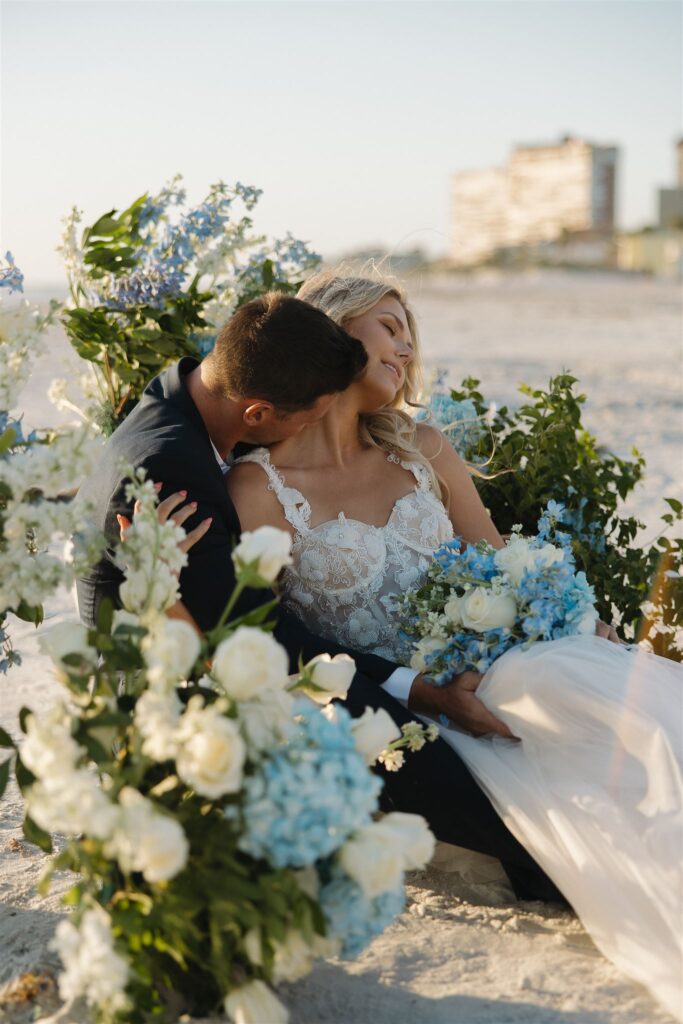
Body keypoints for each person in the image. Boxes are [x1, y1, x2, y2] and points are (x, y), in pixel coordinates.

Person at [222, 269, 683, 1021]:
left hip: (503, 664)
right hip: (404, 711)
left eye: (410, 334)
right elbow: (279, 640)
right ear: (332, 330)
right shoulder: (259, 488)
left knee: (622, 717)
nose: (405, 349)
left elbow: (500, 564)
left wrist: (571, 615)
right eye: (389, 327)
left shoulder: (422, 450)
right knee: (587, 802)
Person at [84, 286, 565, 906]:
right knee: (375, 721)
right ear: (258, 412)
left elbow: (497, 562)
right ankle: (541, 857)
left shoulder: (178, 408)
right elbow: (250, 640)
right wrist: (422, 692)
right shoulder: (178, 474)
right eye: (307, 414)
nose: (406, 346)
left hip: (382, 668)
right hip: (172, 708)